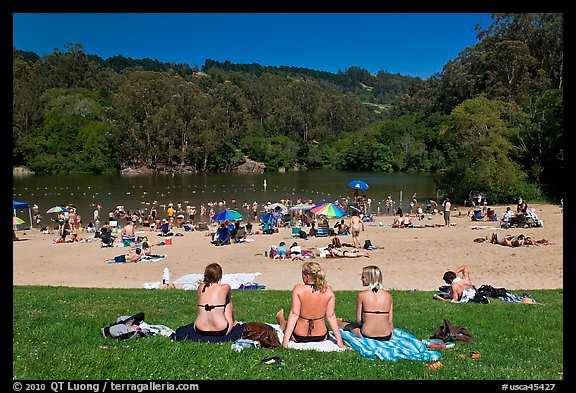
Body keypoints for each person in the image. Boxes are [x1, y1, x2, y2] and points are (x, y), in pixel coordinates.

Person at [275, 261, 345, 348]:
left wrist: (285, 341)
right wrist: (339, 340)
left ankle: (280, 317)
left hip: (299, 336)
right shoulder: (328, 290)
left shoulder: (298, 289)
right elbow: (330, 316)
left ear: (306, 277)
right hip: (321, 336)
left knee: (285, 323)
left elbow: (294, 314)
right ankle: (280, 317)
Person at [337, 265, 394, 341]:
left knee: (348, 325)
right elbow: (390, 321)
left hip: (366, 335)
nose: (361, 279)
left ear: (370, 278)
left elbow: (359, 321)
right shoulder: (388, 296)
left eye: (363, 277)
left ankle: (336, 322)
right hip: (386, 336)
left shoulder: (362, 295)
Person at [194, 263, 239, 336]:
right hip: (221, 330)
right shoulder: (225, 287)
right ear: (219, 276)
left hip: (199, 329)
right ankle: (233, 322)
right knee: (227, 300)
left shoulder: (200, 287)